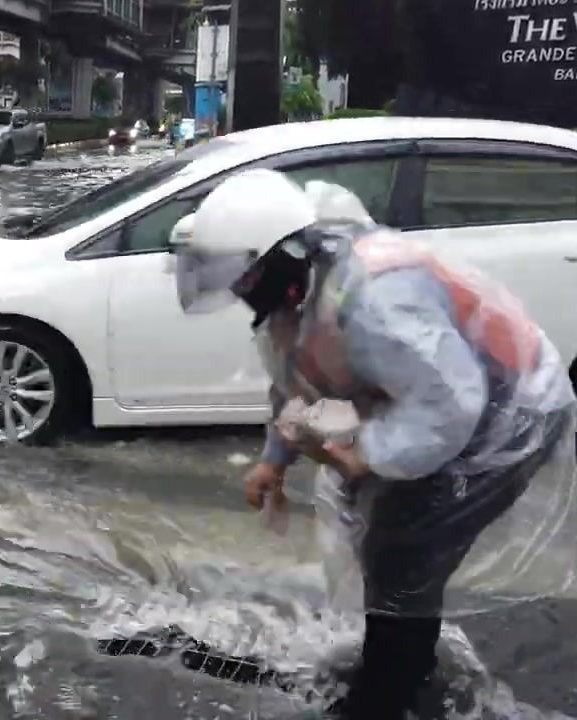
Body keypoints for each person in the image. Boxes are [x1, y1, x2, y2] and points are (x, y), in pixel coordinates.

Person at [170, 168, 577, 719]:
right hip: (451, 404)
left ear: (284, 255)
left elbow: (450, 405)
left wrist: (367, 455)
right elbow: (295, 381)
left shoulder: (375, 302)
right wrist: (275, 460)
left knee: (406, 549)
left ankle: (390, 692)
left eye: (246, 279)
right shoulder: (299, 293)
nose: (241, 293)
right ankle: (398, 659)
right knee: (390, 541)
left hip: (510, 413)